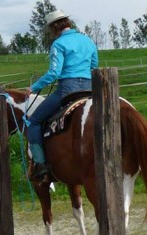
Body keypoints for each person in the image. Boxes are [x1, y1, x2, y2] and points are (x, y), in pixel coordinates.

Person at [27, 10, 98, 180]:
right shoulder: (87, 40)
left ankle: (40, 164)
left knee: (34, 122)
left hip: (67, 90)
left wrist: (34, 88)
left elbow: (53, 73)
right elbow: (94, 65)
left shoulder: (58, 44)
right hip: (89, 89)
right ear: (68, 22)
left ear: (53, 28)